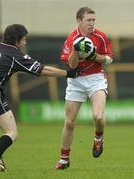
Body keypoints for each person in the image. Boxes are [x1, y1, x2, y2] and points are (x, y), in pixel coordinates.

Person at [0, 24, 79, 172]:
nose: (25, 43)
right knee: (11, 132)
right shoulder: (16, 55)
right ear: (17, 40)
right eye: (24, 40)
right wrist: (68, 73)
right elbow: (43, 70)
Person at [55, 7, 114, 169]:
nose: (92, 23)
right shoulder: (71, 39)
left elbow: (109, 59)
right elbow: (71, 66)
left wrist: (94, 56)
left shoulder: (100, 36)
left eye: (93, 20)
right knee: (70, 122)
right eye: (88, 20)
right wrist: (76, 50)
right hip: (76, 81)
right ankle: (64, 159)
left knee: (98, 117)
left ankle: (98, 139)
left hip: (96, 79)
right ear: (79, 21)